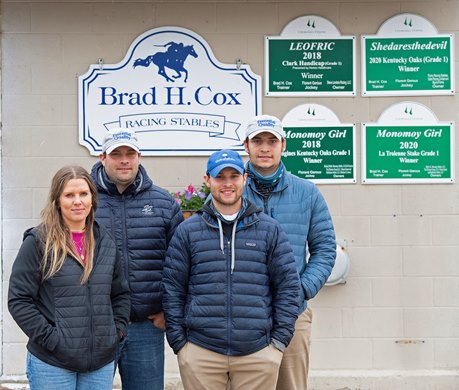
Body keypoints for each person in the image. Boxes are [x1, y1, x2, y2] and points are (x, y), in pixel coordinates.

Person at [162, 149, 301, 390]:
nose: (227, 184)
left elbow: (288, 287)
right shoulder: (188, 231)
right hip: (201, 353)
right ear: (207, 180)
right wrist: (180, 344)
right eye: (220, 177)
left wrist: (277, 343)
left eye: (234, 176)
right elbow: (172, 289)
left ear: (244, 179)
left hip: (257, 354)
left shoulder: (269, 230)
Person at [8, 166, 130, 390]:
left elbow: (120, 294)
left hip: (99, 363)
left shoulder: (106, 241)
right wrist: (52, 340)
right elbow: (19, 300)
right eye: (69, 195)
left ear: (92, 198)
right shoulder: (37, 242)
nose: (77, 201)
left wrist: (115, 332)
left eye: (83, 194)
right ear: (57, 200)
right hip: (52, 363)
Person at [243, 115, 337, 390]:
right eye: (257, 141)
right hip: (244, 313)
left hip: (293, 312)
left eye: (272, 141)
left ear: (283, 145)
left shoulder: (307, 193)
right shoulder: (230, 190)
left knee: (291, 385)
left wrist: (301, 289)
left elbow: (324, 248)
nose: (264, 148)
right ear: (246, 145)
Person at [91, 127, 183, 390]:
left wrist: (170, 310)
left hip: (146, 327)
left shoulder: (163, 203)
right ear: (102, 157)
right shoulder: (85, 200)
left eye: (129, 153)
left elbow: (179, 264)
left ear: (139, 157)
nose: (123, 160)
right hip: (97, 326)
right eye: (116, 154)